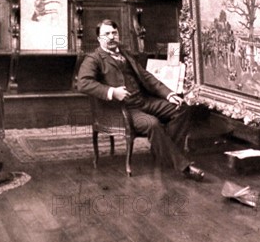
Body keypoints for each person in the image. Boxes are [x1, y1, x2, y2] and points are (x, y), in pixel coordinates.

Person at [77, 19, 204, 181]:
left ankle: (164, 152)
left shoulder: (125, 53)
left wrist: (168, 94)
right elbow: (83, 83)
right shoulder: (94, 58)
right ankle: (184, 166)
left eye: (114, 33)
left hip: (144, 101)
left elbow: (146, 76)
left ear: (118, 34)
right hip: (123, 109)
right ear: (99, 38)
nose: (111, 37)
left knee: (182, 107)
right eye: (106, 34)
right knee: (152, 124)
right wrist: (112, 91)